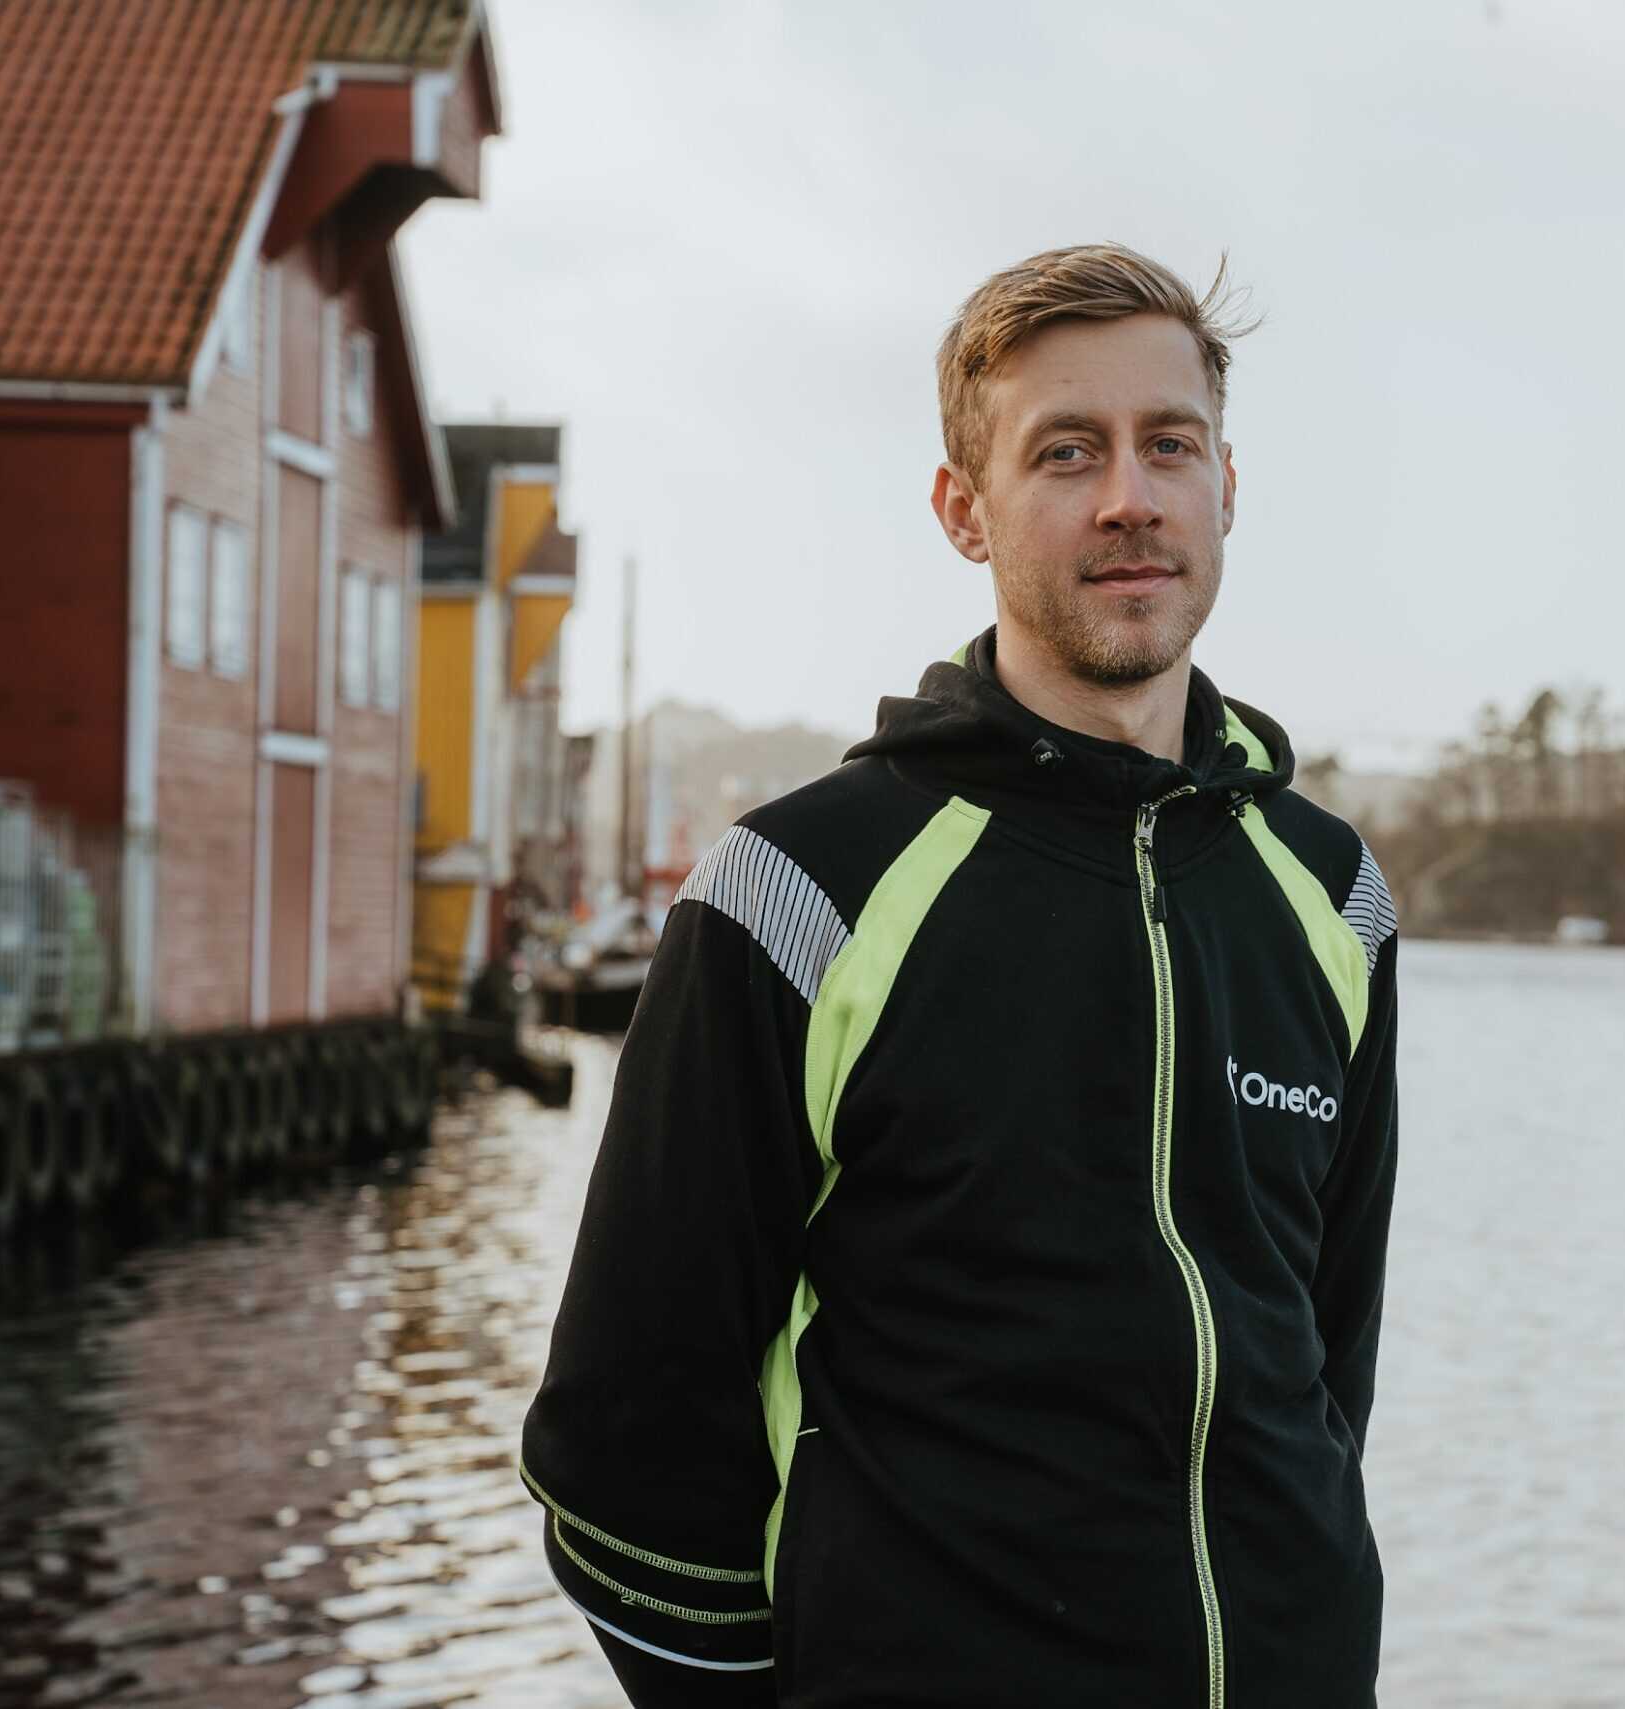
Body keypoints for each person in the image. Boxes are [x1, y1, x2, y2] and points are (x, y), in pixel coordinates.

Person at [521, 243, 1401, 1708]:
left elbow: (1323, 1383)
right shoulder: (800, 892)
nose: (1130, 495)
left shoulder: (1332, 900)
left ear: (1226, 485)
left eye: (1166, 443)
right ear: (963, 509)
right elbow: (620, 1453)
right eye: (1067, 452)